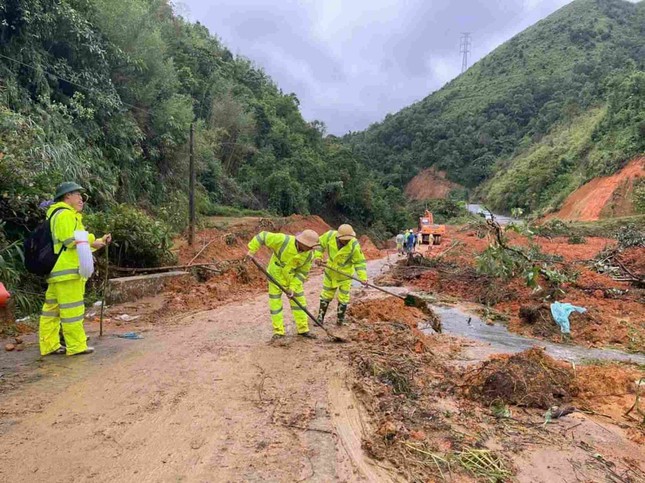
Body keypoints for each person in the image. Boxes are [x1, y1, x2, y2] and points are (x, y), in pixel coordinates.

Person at [39, 182, 111, 356]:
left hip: (59, 272)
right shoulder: (64, 214)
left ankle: (49, 345)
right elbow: (70, 240)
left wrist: (99, 242)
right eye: (77, 194)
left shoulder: (60, 214)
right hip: (68, 272)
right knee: (72, 311)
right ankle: (76, 345)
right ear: (66, 197)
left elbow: (80, 244)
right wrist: (92, 237)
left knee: (51, 311)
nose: (81, 198)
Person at [246, 229, 320, 341]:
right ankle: (278, 332)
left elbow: (302, 273)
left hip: (291, 278)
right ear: (302, 243)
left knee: (299, 303)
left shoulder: (309, 255)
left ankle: (303, 329)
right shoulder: (283, 240)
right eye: (310, 246)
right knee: (275, 305)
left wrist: (293, 288)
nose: (311, 249)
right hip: (275, 275)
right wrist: (251, 251)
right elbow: (262, 236)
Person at [314, 224, 368, 326]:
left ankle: (340, 321)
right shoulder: (329, 236)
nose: (347, 241)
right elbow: (319, 245)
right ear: (338, 237)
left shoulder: (354, 244)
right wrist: (318, 257)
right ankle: (320, 319)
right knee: (326, 295)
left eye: (349, 239)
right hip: (331, 273)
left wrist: (363, 277)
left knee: (343, 297)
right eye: (345, 240)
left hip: (345, 275)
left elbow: (359, 262)